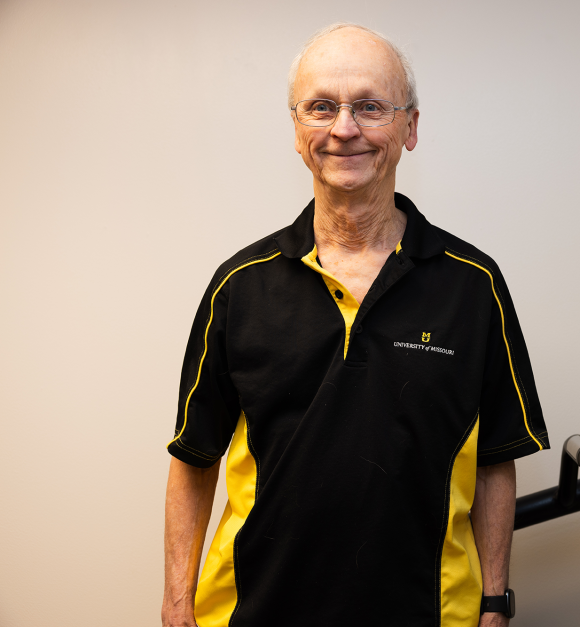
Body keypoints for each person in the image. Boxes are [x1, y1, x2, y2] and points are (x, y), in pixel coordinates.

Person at [162, 22, 550, 627]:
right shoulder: (239, 286)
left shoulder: (474, 286)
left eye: (370, 107)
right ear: (297, 131)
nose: (344, 129)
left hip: (428, 613)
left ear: (410, 128)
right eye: (322, 108)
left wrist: (495, 599)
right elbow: (194, 456)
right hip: (255, 612)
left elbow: (498, 456)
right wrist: (178, 603)